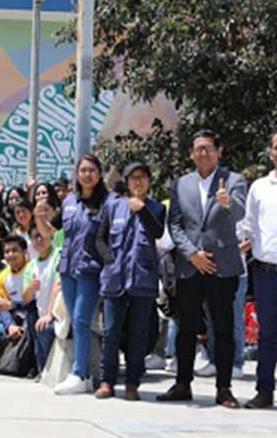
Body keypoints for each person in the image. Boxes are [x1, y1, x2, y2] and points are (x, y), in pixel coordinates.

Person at [159, 131, 247, 408]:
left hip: (222, 267)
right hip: (190, 266)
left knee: (223, 329)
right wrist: (191, 254)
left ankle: (223, 388)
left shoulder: (234, 180)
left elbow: (241, 213)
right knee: (186, 329)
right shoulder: (182, 184)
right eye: (198, 149)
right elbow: (175, 224)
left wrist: (227, 203)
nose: (203, 153)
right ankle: (183, 383)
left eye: (209, 148)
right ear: (191, 154)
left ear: (219, 151)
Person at [94, 162, 166, 401]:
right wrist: (108, 259)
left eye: (142, 178)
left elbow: (157, 232)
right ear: (126, 182)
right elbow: (100, 239)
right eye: (133, 178)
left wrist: (141, 209)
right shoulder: (112, 206)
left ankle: (133, 383)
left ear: (149, 182)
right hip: (115, 277)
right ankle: (107, 381)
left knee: (139, 332)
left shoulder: (156, 208)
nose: (138, 182)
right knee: (111, 331)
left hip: (142, 278)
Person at [47, 154, 112, 396]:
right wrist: (39, 213)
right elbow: (50, 231)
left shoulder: (108, 202)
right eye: (83, 170)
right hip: (68, 269)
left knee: (84, 320)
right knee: (75, 321)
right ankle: (81, 374)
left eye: (92, 170)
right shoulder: (69, 202)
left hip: (91, 270)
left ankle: (80, 373)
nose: (87, 175)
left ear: (100, 173)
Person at [243, 129, 277, 409]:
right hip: (266, 271)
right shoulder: (260, 187)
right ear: (271, 153)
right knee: (267, 333)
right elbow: (249, 225)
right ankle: (264, 390)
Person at [0, 235, 37, 357]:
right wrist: (10, 326)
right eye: (7, 252)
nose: (11, 255)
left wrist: (13, 305)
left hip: (32, 316)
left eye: (15, 250)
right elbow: (2, 306)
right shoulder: (2, 277)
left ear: (24, 252)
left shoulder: (33, 269)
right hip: (15, 318)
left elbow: (36, 300)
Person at [26, 223, 60, 374]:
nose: (39, 240)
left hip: (58, 313)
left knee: (45, 327)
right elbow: (26, 298)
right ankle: (42, 370)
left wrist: (49, 314)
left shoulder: (58, 255)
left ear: (51, 235)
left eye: (42, 235)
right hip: (42, 313)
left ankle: (48, 371)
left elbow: (58, 286)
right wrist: (31, 288)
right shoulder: (31, 266)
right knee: (34, 322)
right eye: (35, 237)